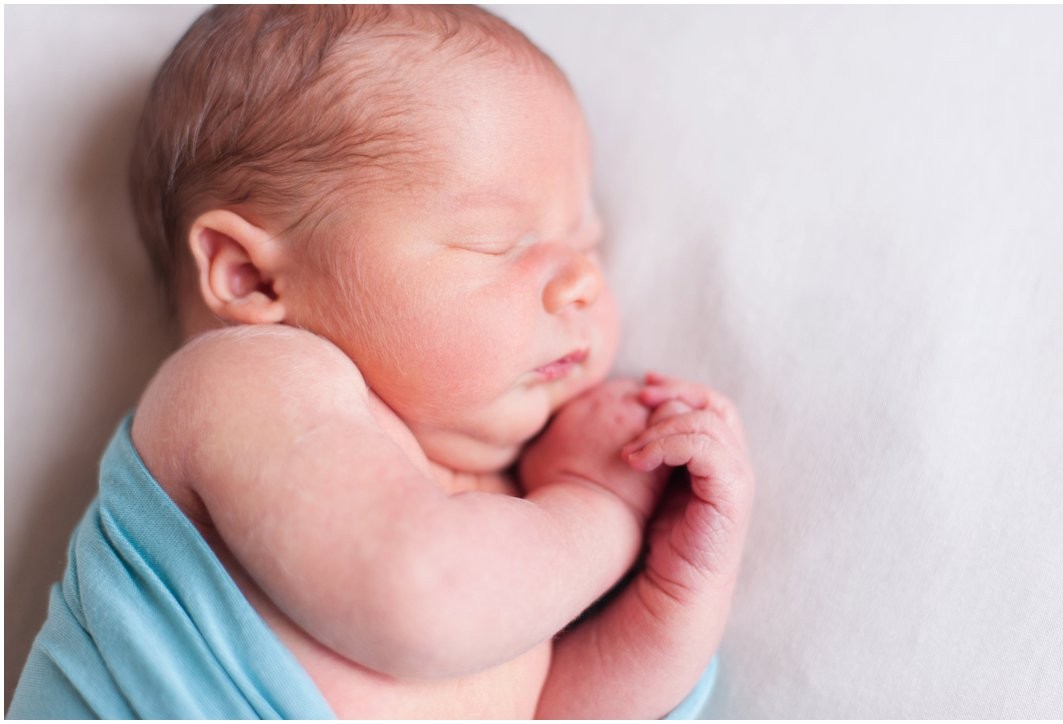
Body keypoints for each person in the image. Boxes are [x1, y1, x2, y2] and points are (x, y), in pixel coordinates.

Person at [9, 5, 754, 719]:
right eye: (499, 242)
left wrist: (676, 594)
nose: (584, 282)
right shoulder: (247, 382)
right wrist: (603, 507)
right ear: (253, 279)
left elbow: (551, 709)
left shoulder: (519, 517)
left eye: (586, 244)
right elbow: (427, 596)